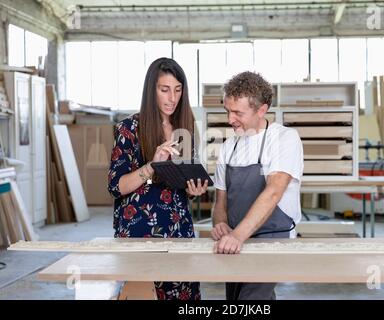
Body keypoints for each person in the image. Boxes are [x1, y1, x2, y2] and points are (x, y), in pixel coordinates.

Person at [108, 57, 208, 300]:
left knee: (182, 295)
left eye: (177, 90)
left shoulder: (184, 127)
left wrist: (192, 190)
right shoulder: (129, 128)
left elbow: (181, 182)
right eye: (165, 90)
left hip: (179, 229)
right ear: (151, 90)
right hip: (139, 231)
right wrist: (152, 165)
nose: (172, 98)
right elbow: (116, 186)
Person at [211, 71, 304, 300]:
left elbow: (273, 193)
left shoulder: (284, 139)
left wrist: (237, 237)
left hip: (271, 239)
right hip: (235, 240)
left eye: (237, 113)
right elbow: (220, 200)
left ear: (261, 110)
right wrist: (221, 224)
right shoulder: (228, 147)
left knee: (250, 301)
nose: (230, 119)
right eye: (228, 111)